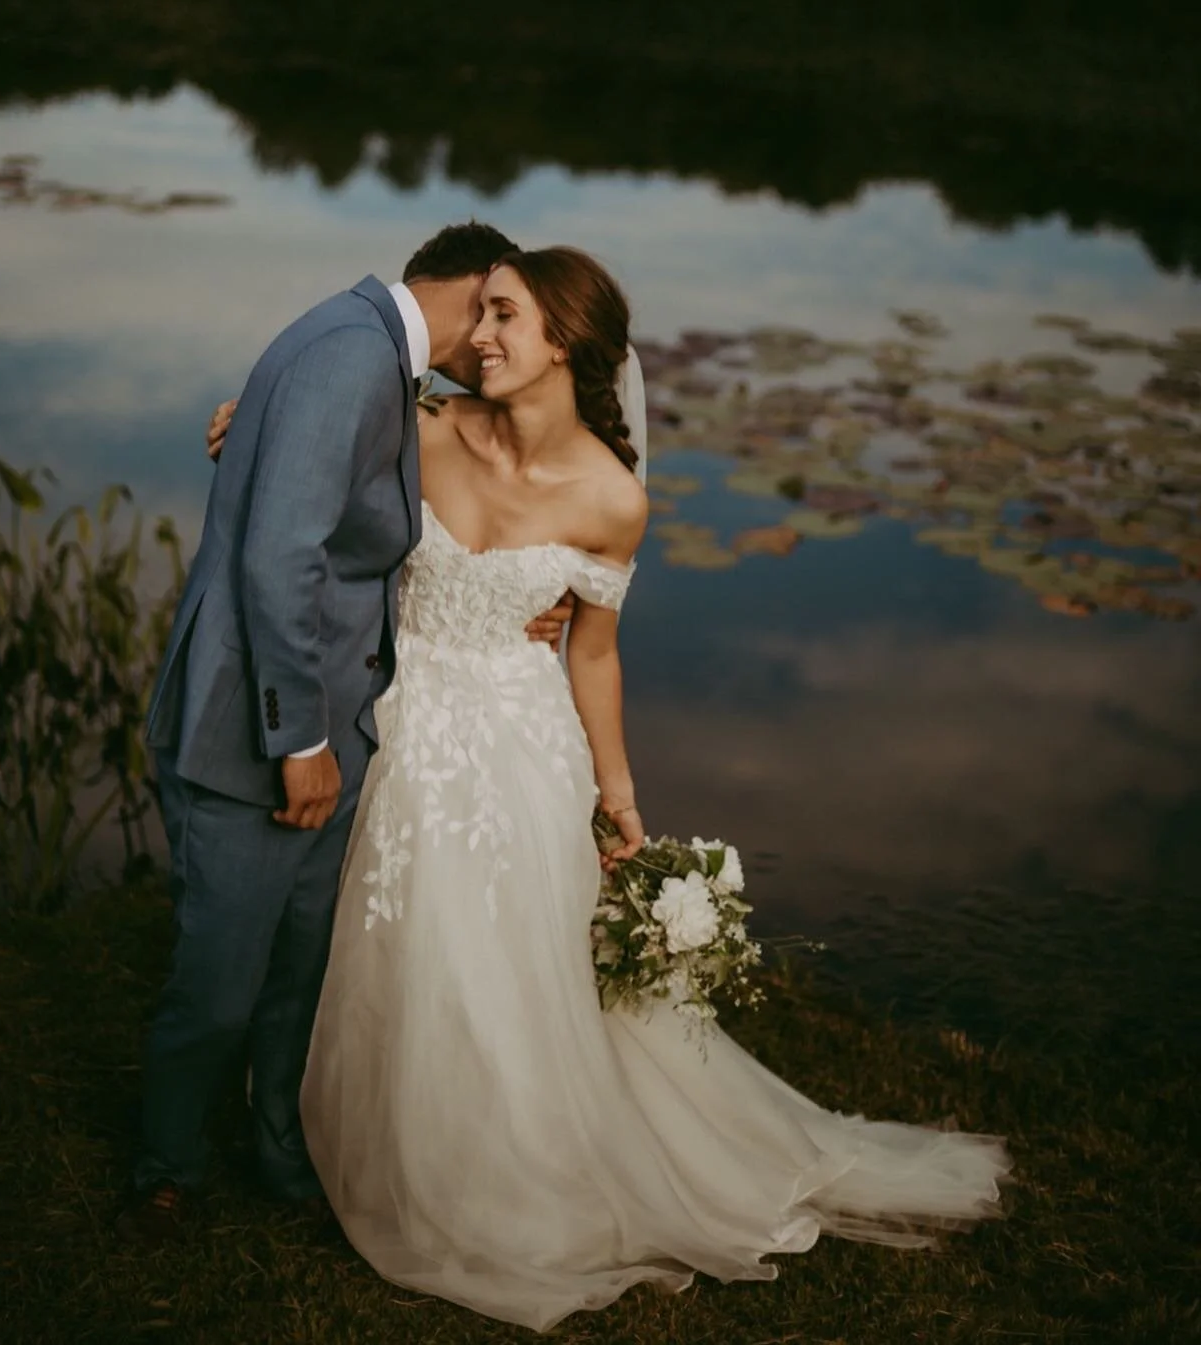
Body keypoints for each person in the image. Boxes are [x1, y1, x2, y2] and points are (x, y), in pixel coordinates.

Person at [210, 246, 1011, 1332]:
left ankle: (489, 1164)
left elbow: (592, 651)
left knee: (495, 964)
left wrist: (618, 791)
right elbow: (311, 454)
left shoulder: (612, 499)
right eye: (482, 313)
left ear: (567, 349)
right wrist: (247, 421)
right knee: (374, 941)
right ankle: (324, 1127)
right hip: (393, 722)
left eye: (503, 318)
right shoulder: (423, 425)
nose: (476, 334)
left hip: (515, 743)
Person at [121, 222, 576, 1241]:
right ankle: (168, 1163)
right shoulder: (349, 356)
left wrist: (549, 594)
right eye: (495, 311)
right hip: (256, 734)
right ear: (469, 291)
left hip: (343, 723)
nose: (495, 338)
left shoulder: (371, 353)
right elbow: (281, 560)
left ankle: (278, 1144)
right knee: (220, 984)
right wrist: (301, 741)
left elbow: (421, 489)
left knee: (298, 973)